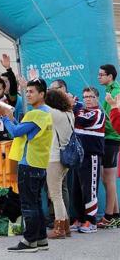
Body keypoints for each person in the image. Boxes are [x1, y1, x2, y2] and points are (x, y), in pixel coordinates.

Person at [0, 78, 52, 253]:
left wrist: (5, 117)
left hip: (29, 164)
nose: (28, 94)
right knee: (35, 203)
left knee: (29, 205)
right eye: (26, 91)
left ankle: (29, 241)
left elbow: (15, 132)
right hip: (39, 164)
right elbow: (24, 132)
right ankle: (41, 239)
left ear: (42, 94)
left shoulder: (35, 114)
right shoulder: (47, 113)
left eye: (32, 91)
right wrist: (11, 118)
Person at [71, 87, 106, 233]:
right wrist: (74, 108)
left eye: (91, 96)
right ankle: (80, 218)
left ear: (97, 98)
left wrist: (72, 108)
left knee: (89, 190)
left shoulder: (98, 113)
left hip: (91, 156)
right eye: (85, 97)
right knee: (77, 190)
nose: (88, 99)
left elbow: (81, 120)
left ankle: (91, 222)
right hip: (78, 157)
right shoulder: (80, 110)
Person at [44, 89, 74, 239]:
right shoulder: (69, 114)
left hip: (54, 159)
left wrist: (25, 87)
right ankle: (66, 227)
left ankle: (59, 229)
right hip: (65, 158)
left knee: (55, 195)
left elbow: (42, 106)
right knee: (59, 194)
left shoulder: (55, 115)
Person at [97, 64, 120, 228]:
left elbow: (116, 119)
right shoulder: (109, 90)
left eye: (101, 75)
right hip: (107, 137)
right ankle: (116, 214)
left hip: (112, 138)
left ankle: (108, 216)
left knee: (108, 178)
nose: (99, 77)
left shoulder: (116, 91)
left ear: (110, 76)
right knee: (106, 179)